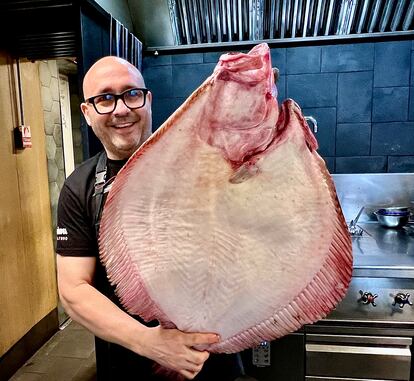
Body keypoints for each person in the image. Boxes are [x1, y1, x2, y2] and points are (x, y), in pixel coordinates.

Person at [56, 56, 242, 380]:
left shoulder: (207, 162)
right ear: (86, 112)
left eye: (131, 94)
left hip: (215, 360)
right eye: (104, 98)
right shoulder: (79, 188)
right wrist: (149, 342)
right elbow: (73, 289)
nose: (121, 109)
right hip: (129, 365)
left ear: (148, 99)